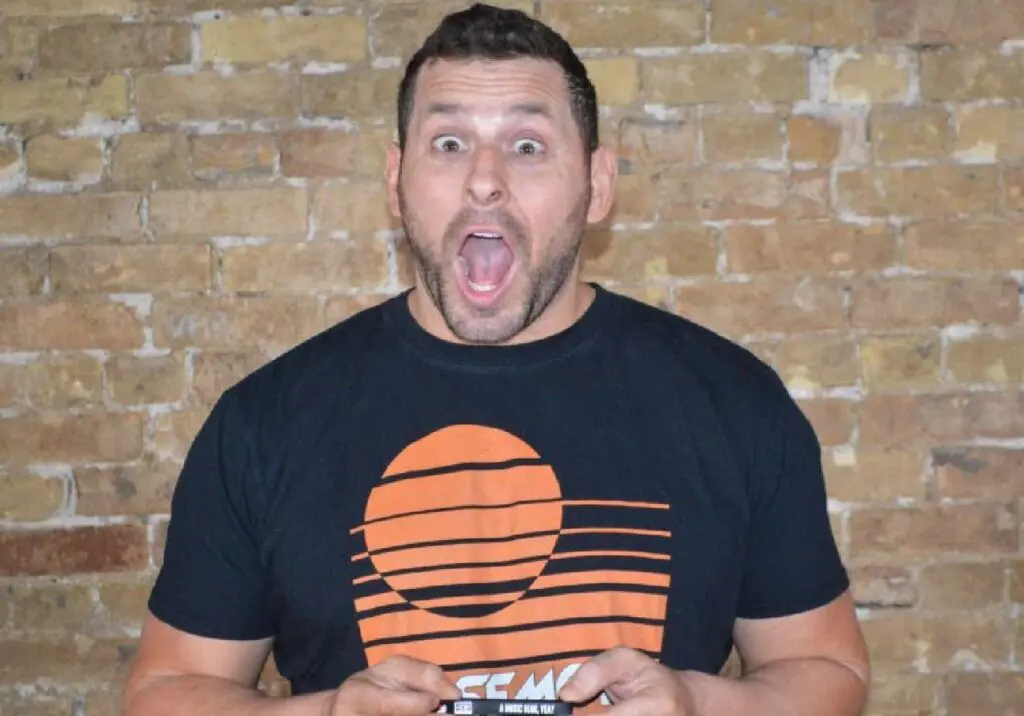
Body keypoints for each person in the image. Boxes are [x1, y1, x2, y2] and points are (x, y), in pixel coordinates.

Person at [123, 4, 871, 716]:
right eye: (449, 144)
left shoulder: (731, 401)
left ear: (597, 186)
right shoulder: (265, 423)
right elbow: (166, 692)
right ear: (395, 181)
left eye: (527, 146)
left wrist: (698, 703)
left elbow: (826, 670)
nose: (484, 179)